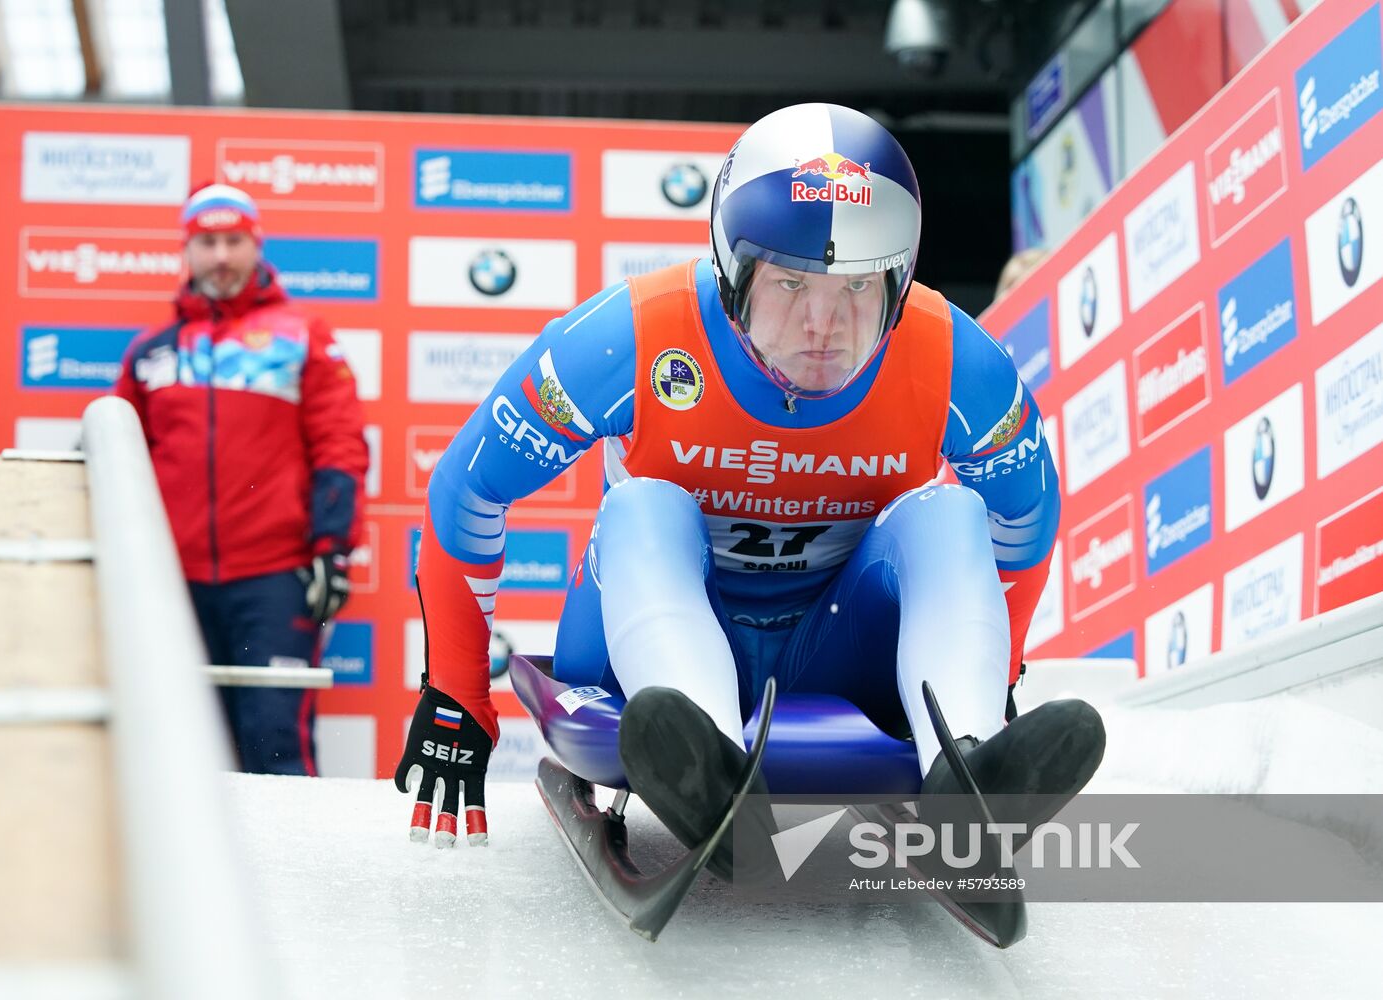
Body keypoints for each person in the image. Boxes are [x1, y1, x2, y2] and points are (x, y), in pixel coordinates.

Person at [396, 104, 1104, 858]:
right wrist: (456, 691)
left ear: (898, 285)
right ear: (734, 272)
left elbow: (1024, 516)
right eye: (792, 285)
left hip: (834, 643)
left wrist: (992, 677)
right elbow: (470, 487)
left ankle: (964, 764)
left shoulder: (951, 356)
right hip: (641, 649)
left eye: (859, 289)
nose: (824, 328)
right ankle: (703, 762)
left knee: (950, 512)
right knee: (644, 505)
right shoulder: (635, 333)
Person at [115, 183, 368, 776]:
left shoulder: (302, 333)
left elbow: (340, 441)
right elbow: (116, 458)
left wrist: (332, 547)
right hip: (168, 579)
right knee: (173, 745)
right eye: (207, 242)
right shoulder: (149, 352)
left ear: (256, 245)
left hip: (275, 578)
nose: (221, 257)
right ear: (187, 249)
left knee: (273, 739)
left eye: (234, 241)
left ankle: (291, 873)